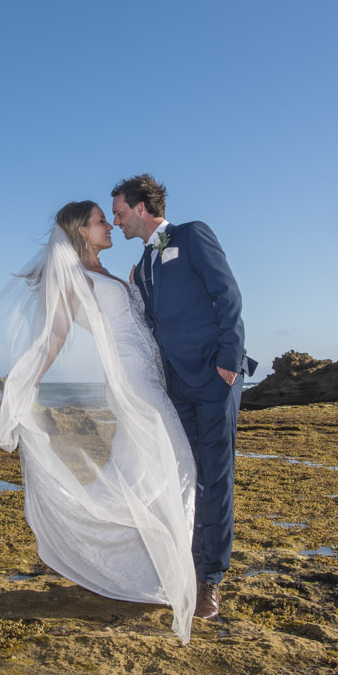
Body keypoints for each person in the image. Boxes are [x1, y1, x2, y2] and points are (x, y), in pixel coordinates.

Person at [0, 201, 197, 641]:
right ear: (80, 231)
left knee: (140, 476)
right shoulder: (72, 279)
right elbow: (54, 335)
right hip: (134, 385)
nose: (109, 225)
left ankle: (148, 577)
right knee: (179, 468)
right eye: (100, 220)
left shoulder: (112, 273)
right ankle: (167, 577)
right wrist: (23, 383)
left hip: (152, 378)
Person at [110, 174, 254, 621]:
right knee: (188, 476)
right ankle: (185, 566)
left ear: (140, 207)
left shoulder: (192, 235)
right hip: (176, 386)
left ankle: (211, 579)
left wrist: (228, 361)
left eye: (118, 213)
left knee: (216, 477)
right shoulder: (144, 266)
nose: (115, 222)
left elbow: (226, 295)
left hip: (214, 379)